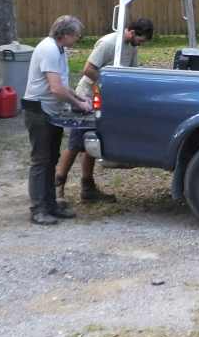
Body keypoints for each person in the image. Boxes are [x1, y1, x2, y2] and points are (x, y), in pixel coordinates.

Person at [54, 18, 154, 202]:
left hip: (105, 100)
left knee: (92, 143)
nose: (141, 43)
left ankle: (87, 188)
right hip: (86, 98)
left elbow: (131, 73)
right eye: (140, 39)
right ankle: (57, 188)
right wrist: (109, 84)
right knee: (76, 144)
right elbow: (88, 69)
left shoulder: (131, 47)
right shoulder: (108, 43)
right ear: (131, 31)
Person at [23, 15, 92, 225]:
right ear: (65, 34)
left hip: (50, 110)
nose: (77, 40)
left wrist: (80, 98)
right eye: (76, 36)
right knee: (41, 160)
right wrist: (79, 105)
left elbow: (62, 84)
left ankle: (50, 205)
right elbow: (55, 88)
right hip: (39, 110)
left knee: (51, 158)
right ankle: (38, 209)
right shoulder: (49, 49)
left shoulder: (59, 50)